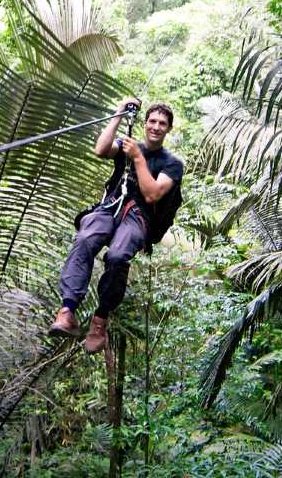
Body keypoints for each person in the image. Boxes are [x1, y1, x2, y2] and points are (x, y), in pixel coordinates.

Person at [48, 98, 184, 353]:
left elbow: (152, 194)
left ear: (169, 129)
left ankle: (99, 320)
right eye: (152, 121)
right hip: (111, 206)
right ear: (144, 123)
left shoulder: (172, 164)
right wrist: (119, 113)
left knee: (118, 256)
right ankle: (67, 311)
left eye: (162, 124)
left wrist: (138, 158)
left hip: (138, 216)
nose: (156, 127)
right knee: (86, 239)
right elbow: (100, 150)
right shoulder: (128, 144)